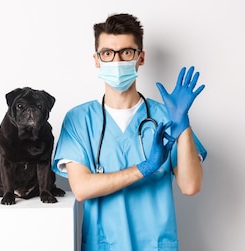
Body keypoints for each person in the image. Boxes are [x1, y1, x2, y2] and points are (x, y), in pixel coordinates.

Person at [51, 13, 207, 250]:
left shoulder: (167, 116)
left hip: (155, 244)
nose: (116, 61)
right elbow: (81, 189)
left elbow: (190, 186)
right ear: (96, 59)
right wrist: (144, 168)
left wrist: (183, 125)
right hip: (104, 245)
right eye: (107, 53)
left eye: (126, 52)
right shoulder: (79, 119)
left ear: (140, 57)